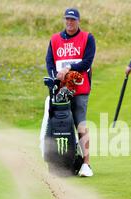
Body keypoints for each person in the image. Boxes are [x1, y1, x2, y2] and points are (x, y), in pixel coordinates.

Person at [42, 8, 96, 177]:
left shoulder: (87, 38)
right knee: (59, 126)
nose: (70, 22)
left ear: (78, 21)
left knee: (80, 124)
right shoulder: (55, 39)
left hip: (79, 89)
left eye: (73, 20)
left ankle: (86, 163)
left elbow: (87, 62)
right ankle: (60, 162)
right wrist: (55, 78)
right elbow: (50, 62)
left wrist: (69, 68)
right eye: (67, 19)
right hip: (59, 91)